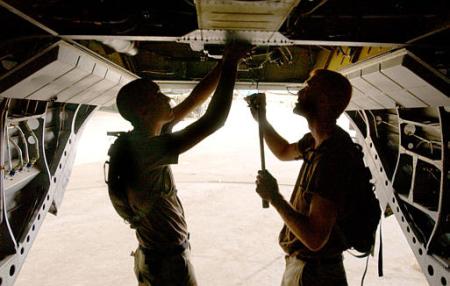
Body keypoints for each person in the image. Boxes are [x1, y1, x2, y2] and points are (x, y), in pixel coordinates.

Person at [108, 44, 248, 286]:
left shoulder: (140, 139)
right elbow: (213, 121)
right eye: (158, 96)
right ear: (144, 111)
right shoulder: (147, 150)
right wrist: (232, 63)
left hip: (157, 258)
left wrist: (223, 64)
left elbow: (195, 99)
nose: (168, 98)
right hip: (167, 265)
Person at [248, 69, 355, 286]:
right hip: (308, 267)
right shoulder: (316, 141)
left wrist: (274, 197)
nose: (300, 91)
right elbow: (283, 150)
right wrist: (262, 119)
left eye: (308, 86)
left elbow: (315, 239)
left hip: (315, 273)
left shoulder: (332, 158)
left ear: (324, 100)